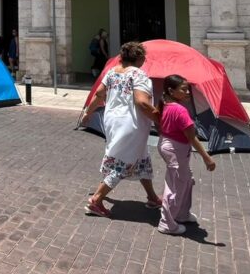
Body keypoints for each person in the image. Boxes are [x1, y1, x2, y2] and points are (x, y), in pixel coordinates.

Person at [80, 41, 162, 217]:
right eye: (143, 57)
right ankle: (96, 200)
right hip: (131, 123)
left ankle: (152, 197)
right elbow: (141, 102)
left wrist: (88, 113)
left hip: (112, 121)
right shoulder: (139, 75)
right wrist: (159, 119)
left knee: (141, 157)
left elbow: (99, 94)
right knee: (123, 162)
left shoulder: (112, 72)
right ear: (139, 57)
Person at [156, 74, 216, 235]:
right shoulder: (180, 110)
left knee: (185, 180)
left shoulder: (166, 105)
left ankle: (182, 214)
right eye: (184, 89)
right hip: (175, 149)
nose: (188, 92)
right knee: (176, 185)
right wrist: (206, 157)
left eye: (188, 89)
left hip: (170, 145)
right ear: (171, 91)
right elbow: (192, 136)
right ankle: (166, 223)